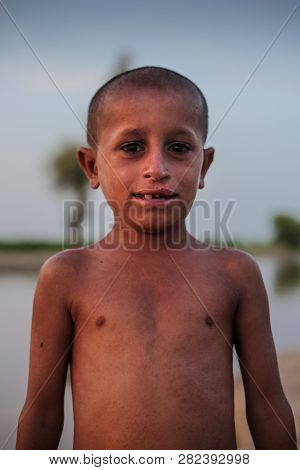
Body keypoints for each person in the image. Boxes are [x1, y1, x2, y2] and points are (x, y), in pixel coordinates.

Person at [16, 66, 296, 450]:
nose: (157, 169)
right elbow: (43, 413)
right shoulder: (66, 276)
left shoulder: (234, 274)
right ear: (92, 166)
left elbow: (267, 407)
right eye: (132, 148)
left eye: (179, 148)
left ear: (204, 165)